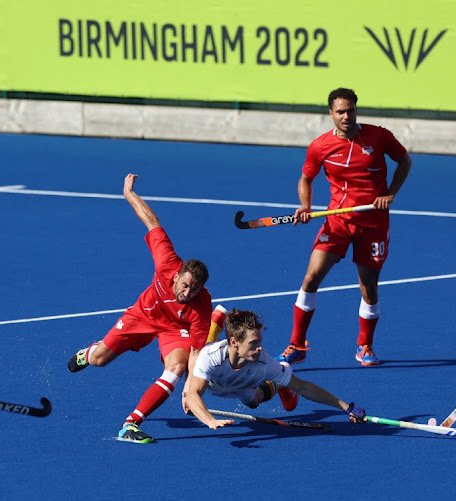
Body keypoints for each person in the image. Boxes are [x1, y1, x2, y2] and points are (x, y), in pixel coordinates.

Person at [67, 173, 213, 444]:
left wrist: (191, 391)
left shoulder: (202, 305)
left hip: (175, 329)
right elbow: (151, 221)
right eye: (185, 285)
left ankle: (130, 425)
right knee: (100, 360)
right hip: (143, 315)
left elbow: (195, 350)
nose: (187, 292)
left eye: (194, 289)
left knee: (176, 368)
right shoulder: (167, 261)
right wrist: (129, 194)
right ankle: (89, 352)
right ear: (178, 275)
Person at [278, 87, 412, 367]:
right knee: (311, 279)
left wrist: (390, 193)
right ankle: (297, 345)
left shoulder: (378, 136)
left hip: (373, 224)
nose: (346, 116)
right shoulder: (320, 146)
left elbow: (404, 161)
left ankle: (365, 346)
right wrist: (305, 206)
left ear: (356, 110)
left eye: (350, 110)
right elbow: (306, 178)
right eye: (340, 111)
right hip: (337, 221)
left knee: (368, 288)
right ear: (331, 114)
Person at [183, 308, 366, 430]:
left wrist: (345, 407)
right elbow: (192, 394)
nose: (260, 347)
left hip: (238, 383)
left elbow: (302, 387)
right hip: (215, 379)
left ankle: (282, 380)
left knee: (254, 402)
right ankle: (214, 327)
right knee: (198, 353)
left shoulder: (262, 361)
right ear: (234, 342)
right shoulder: (211, 357)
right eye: (253, 343)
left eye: (260, 341)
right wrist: (207, 418)